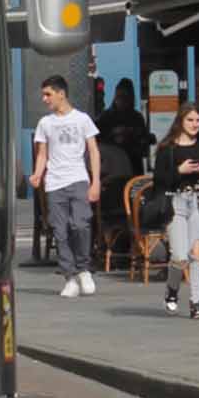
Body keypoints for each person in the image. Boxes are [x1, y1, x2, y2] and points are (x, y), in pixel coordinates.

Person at [29, 75, 102, 300]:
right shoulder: (45, 123)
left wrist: (95, 181)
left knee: (80, 224)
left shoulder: (82, 119)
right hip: (54, 184)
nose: (45, 99)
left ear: (61, 93)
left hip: (78, 178)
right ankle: (69, 277)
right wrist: (38, 174)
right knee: (59, 232)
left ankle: (83, 269)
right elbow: (42, 154)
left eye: (48, 94)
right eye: (43, 94)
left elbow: (93, 151)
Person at [153, 103, 199, 319]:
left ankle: (197, 301)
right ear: (180, 121)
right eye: (190, 120)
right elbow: (159, 181)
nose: (194, 125)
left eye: (198, 120)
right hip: (176, 202)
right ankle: (172, 290)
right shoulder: (167, 148)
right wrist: (179, 170)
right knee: (180, 257)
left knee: (198, 253)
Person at [99, 78, 152, 176]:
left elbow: (143, 142)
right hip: (112, 166)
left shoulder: (137, 117)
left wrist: (135, 136)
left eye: (126, 97)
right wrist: (114, 134)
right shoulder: (106, 117)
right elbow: (98, 141)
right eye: (119, 97)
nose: (122, 101)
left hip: (133, 165)